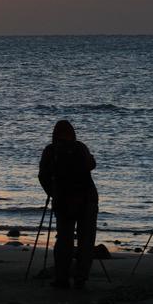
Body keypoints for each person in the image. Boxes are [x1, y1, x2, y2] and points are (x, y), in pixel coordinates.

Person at [38, 120, 98, 289]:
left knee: (64, 239)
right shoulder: (80, 147)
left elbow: (43, 176)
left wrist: (52, 192)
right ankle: (81, 278)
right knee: (86, 240)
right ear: (72, 133)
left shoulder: (50, 151)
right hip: (88, 199)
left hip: (63, 201)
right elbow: (91, 164)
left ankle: (62, 278)